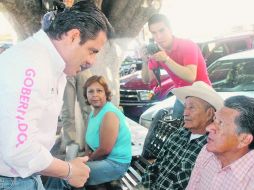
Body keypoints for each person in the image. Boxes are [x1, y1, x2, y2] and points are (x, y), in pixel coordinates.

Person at [0, 1, 113, 189]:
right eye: (92, 51)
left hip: (22, 176)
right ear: (74, 36)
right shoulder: (33, 66)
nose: (92, 62)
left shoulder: (49, 63)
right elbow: (18, 149)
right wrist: (69, 170)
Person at [44, 75, 132, 189]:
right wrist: (83, 158)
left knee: (65, 175)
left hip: (115, 164)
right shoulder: (93, 113)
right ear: (86, 95)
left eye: (99, 91)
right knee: (61, 171)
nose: (95, 94)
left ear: (106, 93)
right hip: (102, 160)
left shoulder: (109, 114)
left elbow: (105, 149)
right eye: (90, 91)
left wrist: (86, 160)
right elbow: (90, 144)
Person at [140, 81, 224, 190]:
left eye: (192, 108)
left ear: (209, 113)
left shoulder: (211, 148)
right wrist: (143, 186)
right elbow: (155, 166)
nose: (185, 113)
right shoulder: (178, 134)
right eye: (185, 107)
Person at [141, 14, 211, 118]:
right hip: (182, 96)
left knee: (202, 132)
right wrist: (144, 61)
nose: (159, 37)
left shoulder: (187, 45)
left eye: (162, 30)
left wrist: (166, 59)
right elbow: (147, 80)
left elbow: (191, 76)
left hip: (202, 95)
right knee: (177, 132)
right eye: (154, 33)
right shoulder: (158, 51)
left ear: (170, 29)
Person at [187, 95, 254, 190]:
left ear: (244, 140)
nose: (208, 128)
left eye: (220, 123)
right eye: (214, 120)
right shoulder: (207, 152)